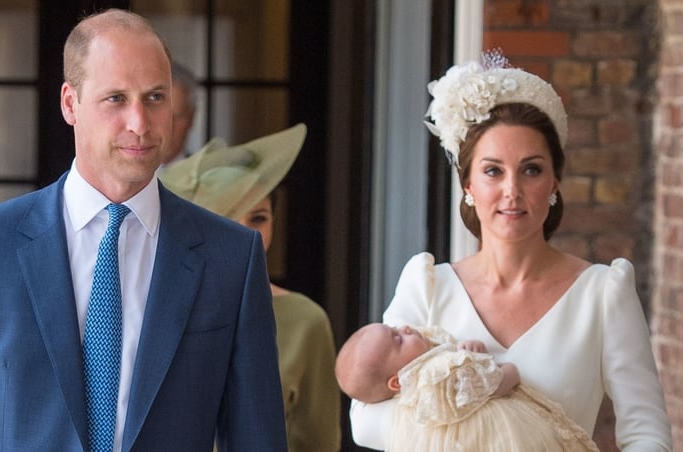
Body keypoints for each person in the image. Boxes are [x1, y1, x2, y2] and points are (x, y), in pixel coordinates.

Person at [0, 9, 287, 451]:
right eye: (116, 99)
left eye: (155, 98)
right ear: (70, 103)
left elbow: (258, 439)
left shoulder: (232, 257)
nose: (139, 123)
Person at [349, 50, 673, 451]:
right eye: (493, 170)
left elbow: (648, 434)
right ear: (468, 185)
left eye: (531, 169)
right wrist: (468, 408)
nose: (512, 191)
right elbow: (364, 419)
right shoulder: (428, 286)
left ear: (555, 181)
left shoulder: (603, 294)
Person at [158, 124, 342, 452]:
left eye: (258, 218)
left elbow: (319, 442)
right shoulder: (154, 309)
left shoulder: (306, 320)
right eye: (227, 218)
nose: (247, 236)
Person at [336, 322, 599, 451]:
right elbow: (491, 384)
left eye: (394, 327)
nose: (405, 327)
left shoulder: (429, 377)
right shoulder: (435, 379)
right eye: (397, 339)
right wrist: (509, 372)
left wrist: (472, 355)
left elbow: (470, 382)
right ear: (396, 381)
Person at [162, 60, 197, 165]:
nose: (167, 129)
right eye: (158, 117)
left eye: (176, 117)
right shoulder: (115, 177)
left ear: (191, 117)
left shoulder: (210, 178)